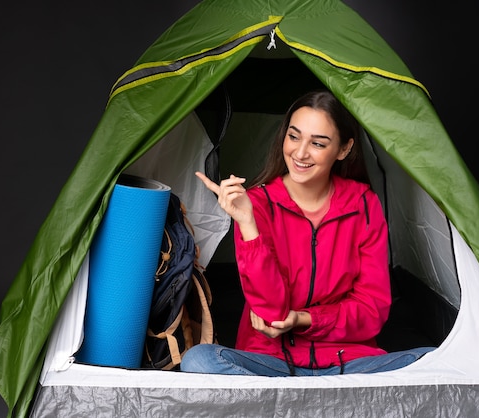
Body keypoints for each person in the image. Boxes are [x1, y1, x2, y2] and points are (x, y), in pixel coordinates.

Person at [181, 90, 433, 376]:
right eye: (294, 136)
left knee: (436, 360)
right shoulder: (256, 205)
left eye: (318, 143)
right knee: (199, 361)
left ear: (343, 149)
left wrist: (305, 319)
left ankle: (295, 404)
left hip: (348, 362)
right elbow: (271, 314)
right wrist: (248, 224)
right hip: (272, 364)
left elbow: (371, 311)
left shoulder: (363, 203)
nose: (300, 153)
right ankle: (325, 403)